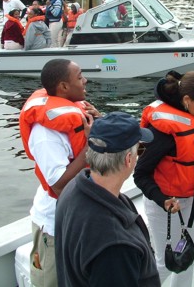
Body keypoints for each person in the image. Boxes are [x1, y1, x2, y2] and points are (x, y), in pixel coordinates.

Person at [134, 70, 194, 287]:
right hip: (164, 207)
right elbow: (140, 174)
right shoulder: (164, 132)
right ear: (187, 100)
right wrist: (163, 200)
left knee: (186, 254)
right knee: (165, 262)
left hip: (189, 201)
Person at [55, 112, 161, 287]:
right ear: (128, 159)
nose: (139, 155)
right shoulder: (115, 246)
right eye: (139, 149)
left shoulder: (72, 189)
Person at [19, 59, 100, 287]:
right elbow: (58, 185)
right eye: (80, 76)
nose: (85, 80)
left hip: (81, 213)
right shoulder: (46, 134)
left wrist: (99, 119)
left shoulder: (79, 113)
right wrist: (89, 146)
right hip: (53, 223)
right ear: (64, 87)